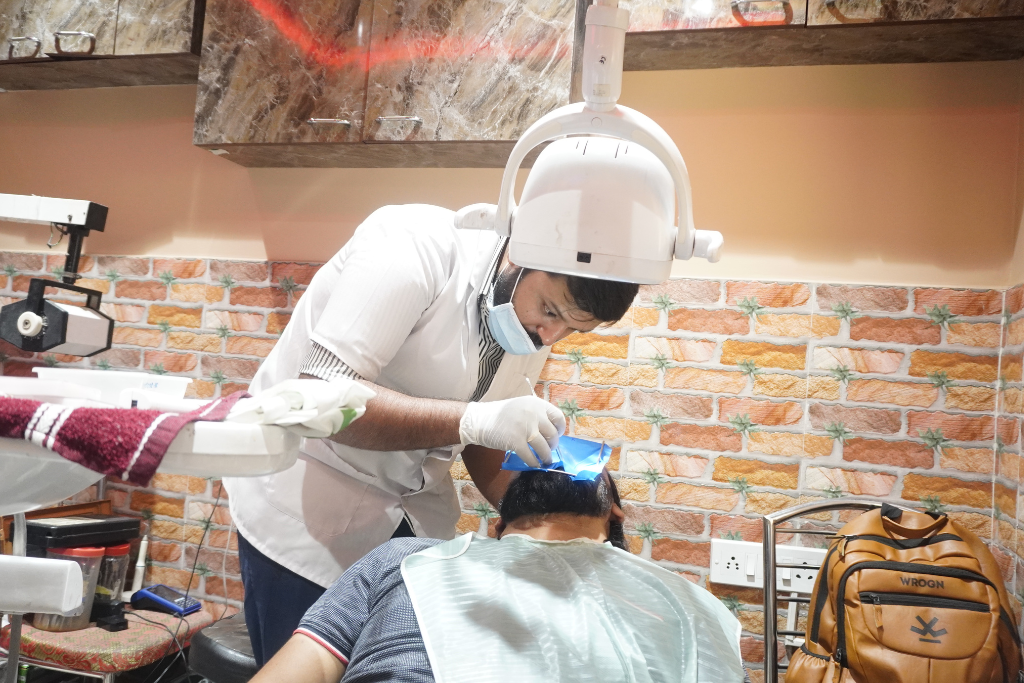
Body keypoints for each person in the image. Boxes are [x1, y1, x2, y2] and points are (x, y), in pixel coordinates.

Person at [223, 204, 641, 664]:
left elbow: (490, 434)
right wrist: (476, 421)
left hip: (413, 521)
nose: (550, 333)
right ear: (523, 252)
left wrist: (551, 517)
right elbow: (323, 398)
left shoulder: (532, 325)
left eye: (572, 329)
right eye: (549, 310)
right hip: (309, 512)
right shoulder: (411, 245)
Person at [248, 470, 746, 683]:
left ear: (498, 527)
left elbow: (304, 667)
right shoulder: (693, 608)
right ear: (614, 514)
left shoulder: (405, 560)